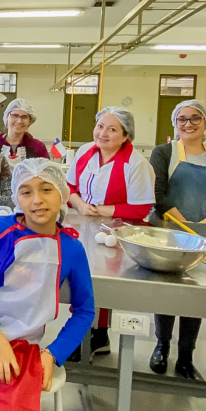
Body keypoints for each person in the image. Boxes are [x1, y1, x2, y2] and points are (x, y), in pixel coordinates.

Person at [0, 158, 95, 411]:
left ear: (63, 194)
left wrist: (53, 354)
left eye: (46, 189)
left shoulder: (72, 248)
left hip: (24, 346)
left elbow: (84, 311)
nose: (37, 200)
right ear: (16, 198)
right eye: (26, 192)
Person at [149, 100, 206, 381]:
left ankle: (186, 357)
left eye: (195, 118)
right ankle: (162, 346)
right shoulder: (164, 153)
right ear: (175, 123)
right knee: (168, 292)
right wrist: (184, 224)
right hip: (170, 232)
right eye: (181, 119)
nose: (188, 124)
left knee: (197, 294)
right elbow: (158, 193)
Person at [66, 106, 155, 361]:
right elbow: (69, 185)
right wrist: (80, 204)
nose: (102, 133)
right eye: (100, 126)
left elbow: (141, 207)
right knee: (79, 277)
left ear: (126, 135)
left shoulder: (135, 163)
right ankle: (80, 332)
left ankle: (99, 336)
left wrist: (104, 210)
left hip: (116, 231)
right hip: (82, 224)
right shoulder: (85, 152)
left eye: (112, 129)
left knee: (103, 282)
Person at [0, 98, 50, 167]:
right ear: (7, 117)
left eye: (24, 117)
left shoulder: (38, 147)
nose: (19, 121)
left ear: (30, 121)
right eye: (15, 115)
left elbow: (47, 173)